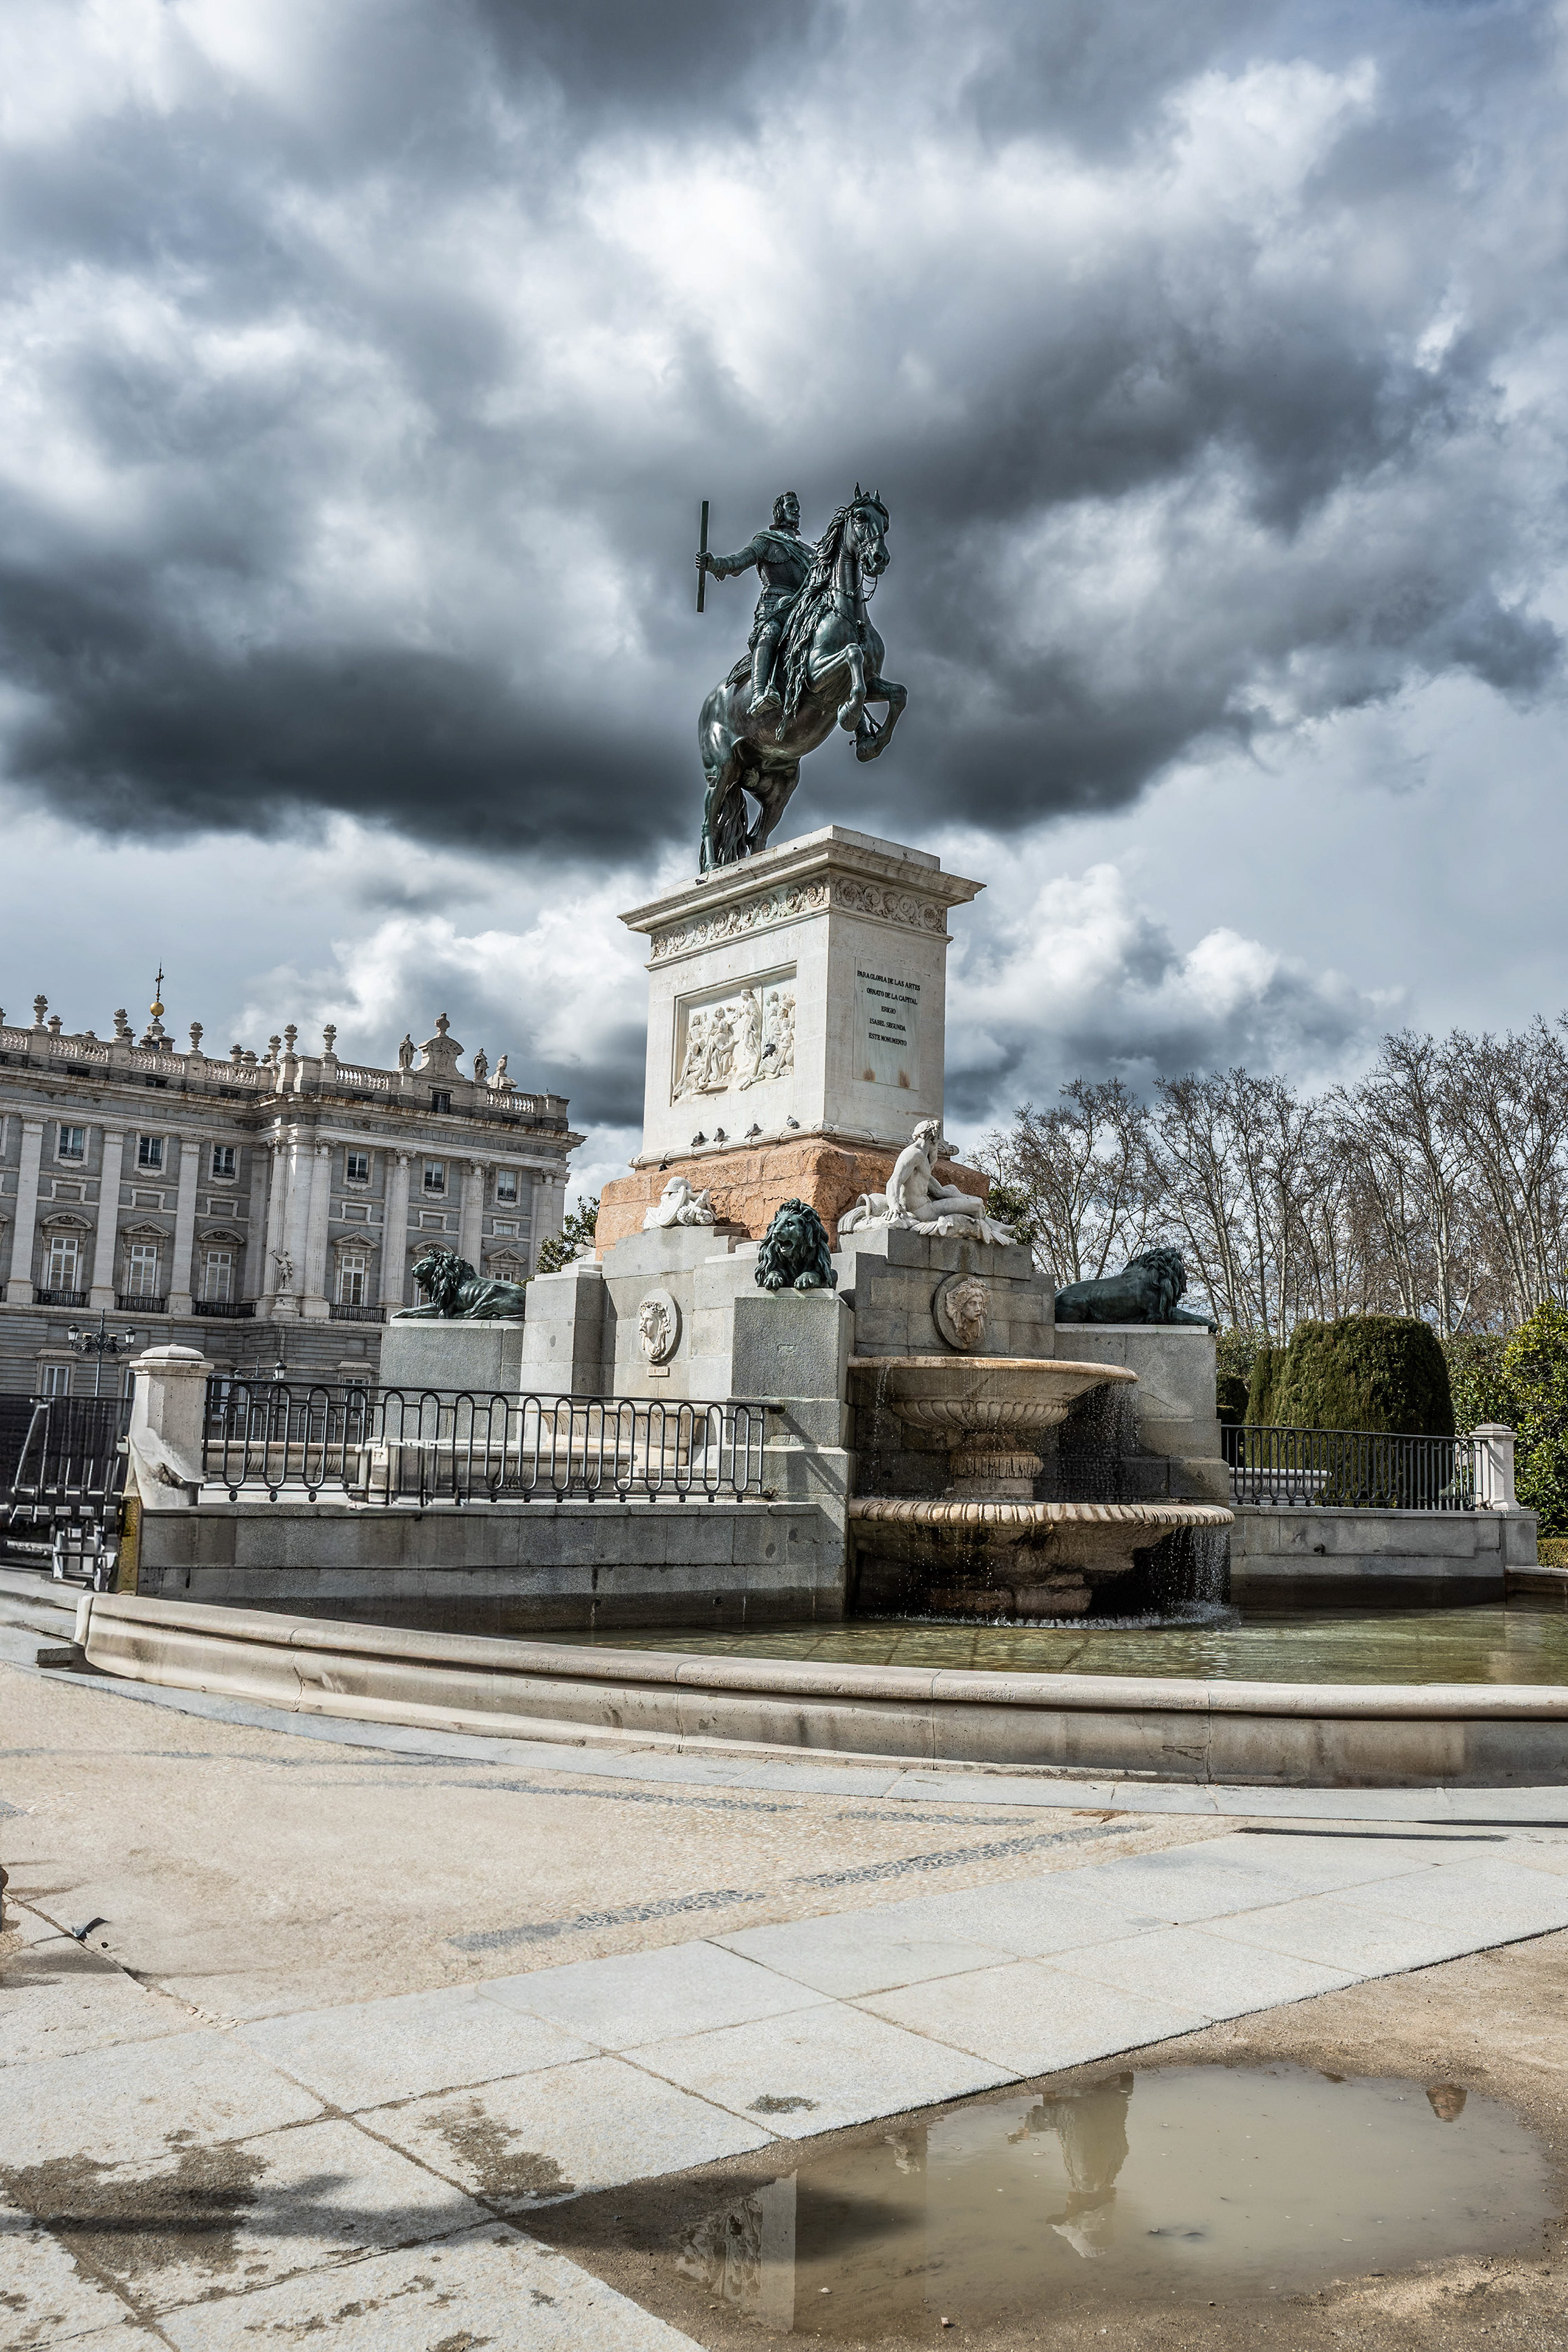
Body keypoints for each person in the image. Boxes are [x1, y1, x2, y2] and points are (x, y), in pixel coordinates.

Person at [696, 492, 812, 718]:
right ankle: (759, 693)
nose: (796, 510)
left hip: (803, 609)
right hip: (774, 607)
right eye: (791, 505)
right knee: (771, 631)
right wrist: (713, 563)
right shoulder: (767, 541)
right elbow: (738, 562)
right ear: (779, 512)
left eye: (798, 506)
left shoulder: (809, 553)